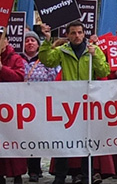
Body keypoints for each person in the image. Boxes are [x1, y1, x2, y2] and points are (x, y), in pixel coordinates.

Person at [39, 21, 111, 184]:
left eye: (79, 32)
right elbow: (47, 61)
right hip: (67, 102)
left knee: (87, 141)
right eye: (73, 33)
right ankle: (60, 176)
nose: (77, 36)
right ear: (68, 35)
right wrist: (47, 41)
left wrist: (95, 56)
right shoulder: (62, 51)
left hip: (87, 102)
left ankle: (87, 176)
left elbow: (104, 71)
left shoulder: (94, 50)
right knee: (63, 140)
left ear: (84, 33)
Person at [19, 30, 60, 183]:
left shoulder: (44, 60)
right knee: (27, 136)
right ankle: (31, 169)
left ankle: (37, 168)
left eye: (33, 40)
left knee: (38, 136)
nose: (30, 43)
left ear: (38, 44)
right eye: (27, 40)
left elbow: (54, 76)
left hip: (42, 103)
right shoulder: (18, 60)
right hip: (22, 103)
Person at [0, 30, 27, 184]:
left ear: (7, 42)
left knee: (14, 140)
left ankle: (17, 174)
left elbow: (19, 77)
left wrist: (2, 69)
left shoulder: (15, 58)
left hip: (12, 108)